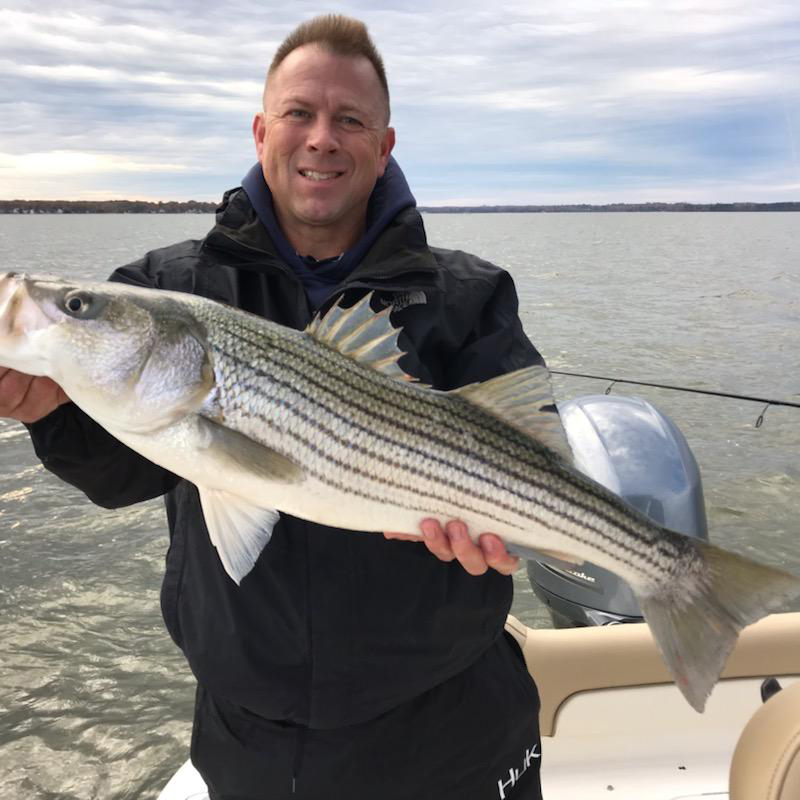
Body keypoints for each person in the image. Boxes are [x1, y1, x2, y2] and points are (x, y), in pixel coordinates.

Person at [1, 15, 544, 800]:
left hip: (452, 731)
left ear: (383, 145)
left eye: (349, 119)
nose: (321, 138)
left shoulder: (468, 295)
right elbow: (123, 472)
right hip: (252, 741)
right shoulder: (170, 285)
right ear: (262, 132)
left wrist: (506, 524)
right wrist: (48, 412)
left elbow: (534, 452)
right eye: (299, 114)